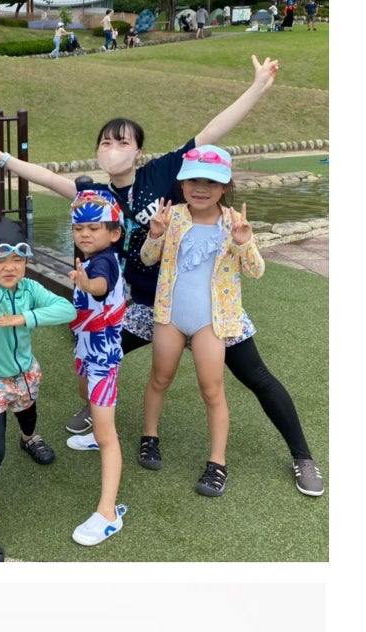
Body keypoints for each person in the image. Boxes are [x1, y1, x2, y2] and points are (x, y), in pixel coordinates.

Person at [0, 55, 323, 496]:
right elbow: (46, 177)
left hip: (208, 305)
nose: (112, 148)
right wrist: (3, 158)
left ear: (138, 149)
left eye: (122, 141)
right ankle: (95, 405)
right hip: (150, 307)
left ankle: (302, 456)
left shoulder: (164, 173)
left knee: (256, 376)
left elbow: (213, 131)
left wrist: (257, 87)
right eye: (105, 141)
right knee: (99, 349)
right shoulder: (96, 194)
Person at [138, 146, 263, 499]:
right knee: (160, 378)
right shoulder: (173, 216)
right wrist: (156, 233)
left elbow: (256, 271)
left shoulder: (232, 223)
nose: (202, 188)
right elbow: (149, 259)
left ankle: (217, 461)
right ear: (182, 183)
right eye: (194, 180)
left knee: (212, 389)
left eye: (212, 182)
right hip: (170, 316)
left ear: (225, 187)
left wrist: (244, 243)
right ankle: (150, 436)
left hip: (212, 322)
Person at [0, 221, 75, 563]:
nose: (9, 267)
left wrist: (25, 318)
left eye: (18, 259)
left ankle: (30, 437)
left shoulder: (29, 288)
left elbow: (68, 309)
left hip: (25, 375)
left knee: (28, 413)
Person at [62, 189, 130, 546]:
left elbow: (101, 287)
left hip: (103, 356)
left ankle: (108, 512)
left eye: (94, 227)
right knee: (83, 390)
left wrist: (89, 285)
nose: (85, 234)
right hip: (87, 349)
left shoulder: (104, 262)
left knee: (108, 435)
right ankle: (94, 432)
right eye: (78, 228)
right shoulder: (90, 258)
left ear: (114, 233)